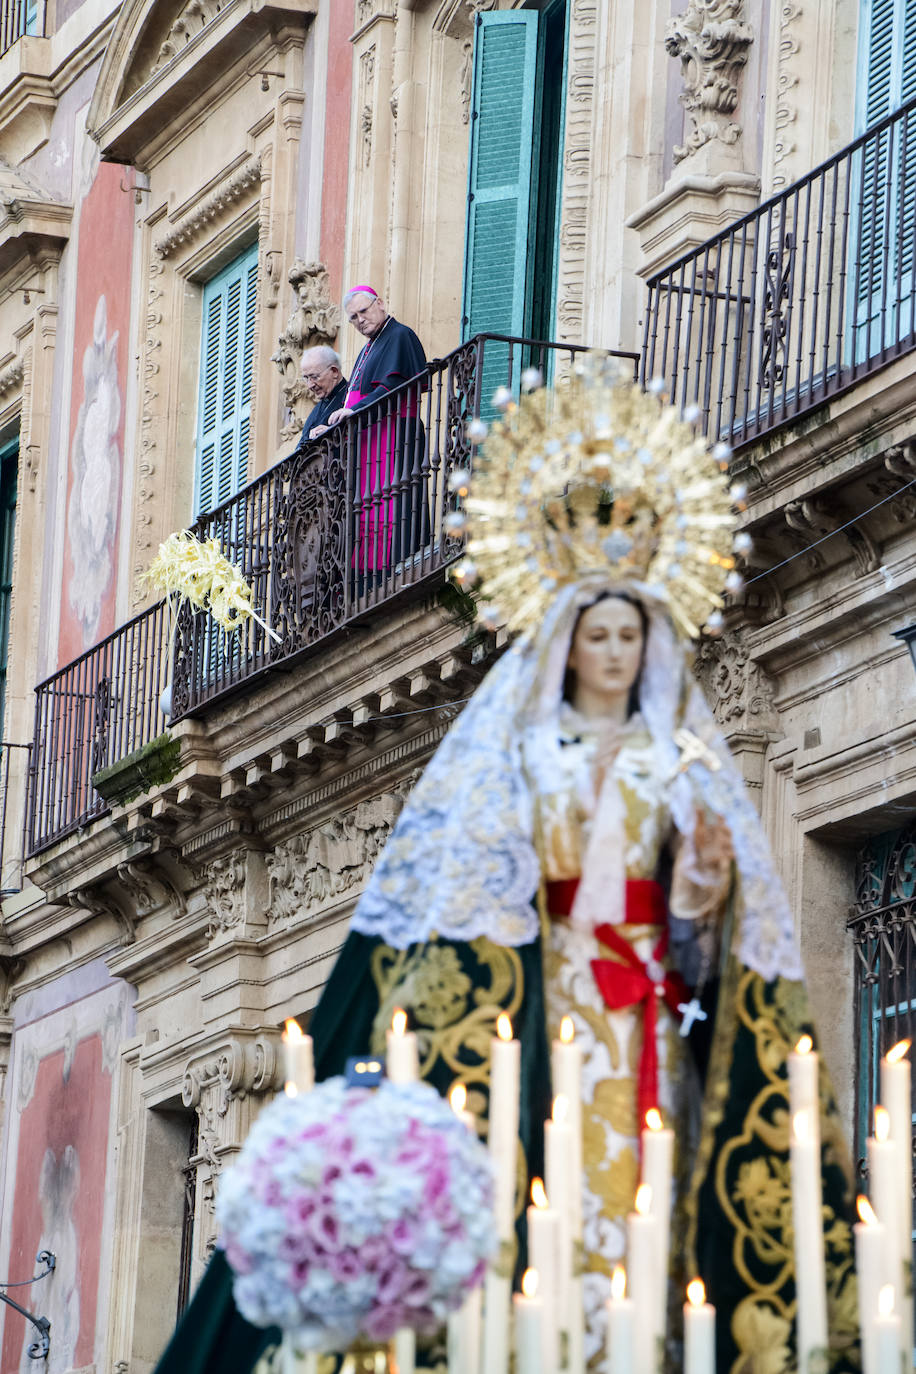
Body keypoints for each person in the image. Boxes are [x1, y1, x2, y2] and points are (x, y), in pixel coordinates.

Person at [153, 366, 859, 1374]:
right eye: (597, 633)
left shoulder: (688, 772)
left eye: (630, 633)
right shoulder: (519, 761)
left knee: (661, 1205)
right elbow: (465, 914)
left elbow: (715, 940)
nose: (614, 652)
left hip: (650, 1011)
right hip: (547, 1011)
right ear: (568, 642)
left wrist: (701, 899)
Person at [328, 287, 428, 577]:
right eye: (353, 317)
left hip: (393, 434)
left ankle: (392, 563)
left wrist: (354, 411)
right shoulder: (368, 347)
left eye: (364, 310)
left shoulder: (399, 336)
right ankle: (370, 570)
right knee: (368, 509)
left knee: (390, 504)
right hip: (370, 438)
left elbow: (391, 388)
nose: (360, 319)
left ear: (380, 304)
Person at [295, 345, 348, 444]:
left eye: (314, 377)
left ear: (334, 371)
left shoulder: (350, 396)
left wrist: (331, 434)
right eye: (306, 378)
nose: (310, 385)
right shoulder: (316, 409)